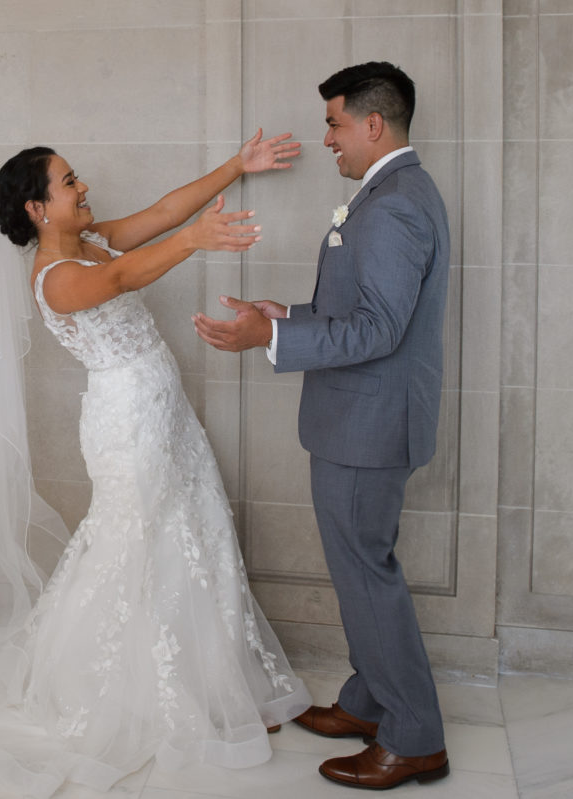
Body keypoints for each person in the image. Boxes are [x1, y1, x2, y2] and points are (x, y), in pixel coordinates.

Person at [0, 130, 311, 799]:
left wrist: (237, 166)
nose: (83, 187)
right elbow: (125, 275)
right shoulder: (57, 277)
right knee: (137, 545)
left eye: (77, 177)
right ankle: (129, 696)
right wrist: (194, 242)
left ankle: (212, 689)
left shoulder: (92, 241)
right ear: (38, 208)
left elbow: (160, 214)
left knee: (191, 530)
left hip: (163, 409)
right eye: (69, 182)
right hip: (127, 424)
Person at [193, 61, 451, 791]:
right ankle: (371, 702)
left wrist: (266, 343)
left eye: (335, 123)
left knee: (368, 577)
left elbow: (379, 329)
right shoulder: (392, 192)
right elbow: (362, 313)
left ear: (373, 125)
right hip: (359, 420)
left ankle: (413, 736)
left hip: (368, 427)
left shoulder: (397, 203)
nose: (327, 137)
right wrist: (286, 317)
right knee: (359, 571)